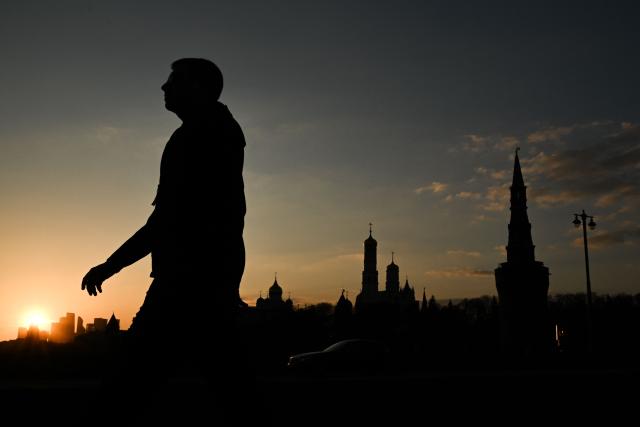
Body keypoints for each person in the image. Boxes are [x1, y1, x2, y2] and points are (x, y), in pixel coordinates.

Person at [81, 58, 249, 422]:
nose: (163, 87)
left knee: (128, 383)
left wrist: (112, 265)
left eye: (173, 80)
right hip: (204, 280)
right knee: (229, 386)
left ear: (197, 88)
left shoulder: (201, 136)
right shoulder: (213, 131)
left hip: (188, 282)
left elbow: (168, 219)